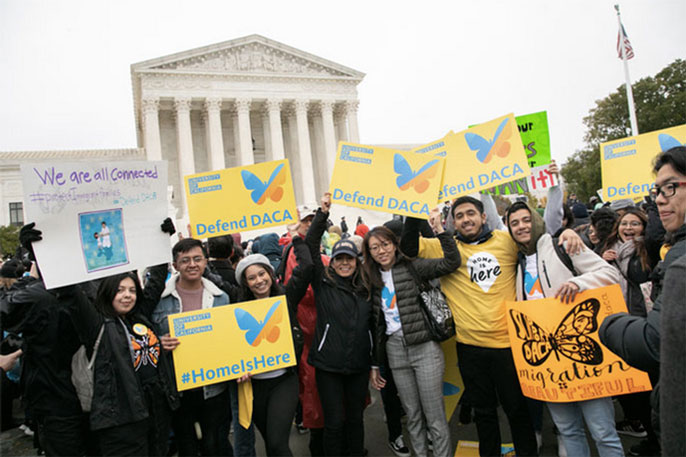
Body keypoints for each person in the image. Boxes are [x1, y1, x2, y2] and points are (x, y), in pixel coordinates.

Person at [402, 193, 582, 457]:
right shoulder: (446, 246)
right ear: (453, 222)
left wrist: (568, 235)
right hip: (470, 348)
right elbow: (408, 247)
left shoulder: (505, 241)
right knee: (484, 415)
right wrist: (412, 208)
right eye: (459, 216)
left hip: (509, 346)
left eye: (471, 214)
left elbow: (539, 238)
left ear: (484, 216)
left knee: (517, 411)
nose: (466, 220)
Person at [505, 200, 624, 457]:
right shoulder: (518, 262)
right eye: (514, 223)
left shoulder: (562, 245)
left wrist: (579, 284)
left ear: (536, 221)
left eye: (526, 220)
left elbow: (610, 274)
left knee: (603, 433)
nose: (521, 227)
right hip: (550, 365)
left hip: (584, 357)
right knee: (568, 430)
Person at [599, 146, 686, 455]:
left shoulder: (674, 256)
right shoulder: (669, 246)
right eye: (657, 191)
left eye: (671, 187)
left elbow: (655, 342)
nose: (660, 199)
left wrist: (607, 323)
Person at [363, 210, 460, 457]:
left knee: (434, 415)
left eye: (385, 244)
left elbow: (451, 262)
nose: (381, 251)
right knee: (413, 415)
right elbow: (376, 324)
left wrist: (440, 230)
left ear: (395, 245)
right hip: (395, 351)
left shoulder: (413, 266)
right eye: (374, 248)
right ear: (369, 253)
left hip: (425, 348)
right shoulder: (371, 278)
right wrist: (375, 363)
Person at [69, 266, 175, 456]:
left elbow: (156, 283)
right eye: (120, 290)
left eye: (132, 290)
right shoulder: (97, 323)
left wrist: (159, 240)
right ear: (107, 292)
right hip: (121, 418)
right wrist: (38, 249)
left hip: (154, 410)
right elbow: (70, 292)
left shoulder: (138, 316)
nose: (127, 295)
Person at [302, 193, 375, 457]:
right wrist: (321, 214)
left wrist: (373, 362)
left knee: (355, 421)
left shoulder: (367, 288)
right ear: (332, 262)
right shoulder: (323, 284)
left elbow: (374, 330)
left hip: (357, 365)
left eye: (349, 259)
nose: (344, 263)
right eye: (339, 259)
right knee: (334, 423)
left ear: (357, 263)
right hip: (328, 366)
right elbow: (310, 247)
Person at [151, 238, 232, 456]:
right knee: (186, 446)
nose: (192, 264)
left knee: (213, 445)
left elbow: (229, 342)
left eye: (197, 259)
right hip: (179, 389)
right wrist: (158, 343)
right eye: (185, 260)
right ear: (175, 265)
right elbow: (146, 341)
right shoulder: (160, 301)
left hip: (214, 387)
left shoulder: (221, 298)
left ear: (206, 261)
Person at [232, 239, 310, 456]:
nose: (259, 281)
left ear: (270, 274)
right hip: (253, 387)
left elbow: (307, 268)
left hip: (283, 381)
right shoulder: (236, 311)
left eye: (261, 274)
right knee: (271, 445)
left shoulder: (286, 298)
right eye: (252, 277)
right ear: (245, 283)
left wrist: (297, 239)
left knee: (277, 443)